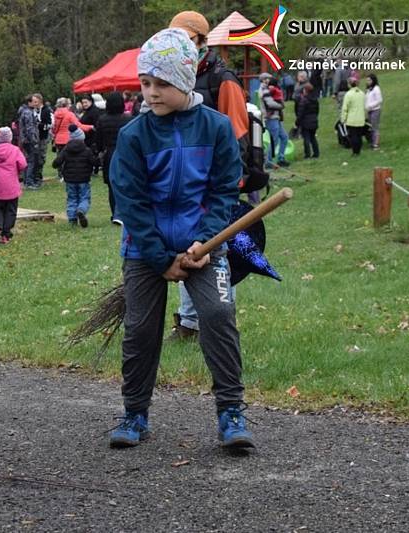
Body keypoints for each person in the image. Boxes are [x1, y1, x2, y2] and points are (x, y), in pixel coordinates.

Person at [109, 28, 253, 450]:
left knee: (217, 316)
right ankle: (135, 413)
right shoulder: (134, 135)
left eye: (162, 84)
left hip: (206, 248)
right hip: (144, 249)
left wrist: (205, 243)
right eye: (146, 83)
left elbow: (224, 190)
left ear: (186, 81)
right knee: (140, 329)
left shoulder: (217, 128)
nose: (151, 93)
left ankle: (231, 412)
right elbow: (130, 202)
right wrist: (160, 259)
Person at [168, 10, 254, 342]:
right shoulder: (175, 77)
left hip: (215, 185)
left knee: (214, 252)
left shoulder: (224, 79)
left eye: (185, 40)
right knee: (185, 249)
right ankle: (189, 322)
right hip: (183, 184)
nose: (180, 48)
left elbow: (237, 134)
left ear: (202, 41)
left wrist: (229, 181)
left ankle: (218, 325)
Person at [94, 91, 131, 223]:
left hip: (110, 153)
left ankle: (115, 213)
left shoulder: (102, 120)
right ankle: (125, 212)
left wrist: (99, 151)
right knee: (128, 183)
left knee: (112, 184)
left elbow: (98, 139)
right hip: (127, 153)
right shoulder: (128, 118)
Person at [0, 127, 26, 243]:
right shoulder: (15, 150)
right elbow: (22, 164)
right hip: (12, 186)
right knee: (11, 210)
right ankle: (6, 235)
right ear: (10, 138)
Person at [53, 124, 94, 228]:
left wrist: (56, 165)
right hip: (84, 179)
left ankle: (72, 219)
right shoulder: (87, 150)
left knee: (72, 198)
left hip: (70, 179)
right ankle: (81, 210)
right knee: (84, 197)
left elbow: (57, 162)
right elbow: (94, 162)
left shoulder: (66, 150)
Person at [259, 74, 290, 167]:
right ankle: (268, 161)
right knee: (274, 141)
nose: (270, 80)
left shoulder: (268, 89)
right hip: (271, 118)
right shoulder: (264, 90)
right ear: (264, 80)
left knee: (284, 137)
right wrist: (281, 106)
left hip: (276, 117)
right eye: (268, 78)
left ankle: (281, 158)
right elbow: (270, 104)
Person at [18, 94, 42, 189]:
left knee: (27, 160)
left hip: (25, 139)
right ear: (29, 102)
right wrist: (34, 140)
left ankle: (27, 180)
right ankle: (29, 182)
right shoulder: (28, 112)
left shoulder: (24, 111)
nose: (35, 103)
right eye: (33, 101)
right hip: (29, 140)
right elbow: (29, 128)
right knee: (31, 161)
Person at [341, 76, 366, 156]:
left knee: (353, 136)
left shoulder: (348, 94)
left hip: (352, 119)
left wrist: (343, 119)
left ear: (349, 84)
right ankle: (358, 150)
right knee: (359, 135)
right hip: (361, 118)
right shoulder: (362, 93)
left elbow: (345, 108)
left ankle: (355, 151)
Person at [295, 83, 320, 159]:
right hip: (314, 120)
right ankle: (316, 153)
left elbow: (300, 113)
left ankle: (307, 154)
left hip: (305, 122)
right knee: (313, 137)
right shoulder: (315, 100)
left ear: (305, 91)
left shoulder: (304, 100)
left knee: (306, 138)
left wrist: (297, 122)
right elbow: (317, 111)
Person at [365, 73, 383, 150]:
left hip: (375, 110)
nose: (368, 82)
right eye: (367, 80)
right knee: (371, 127)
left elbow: (379, 100)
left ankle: (376, 144)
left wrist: (371, 105)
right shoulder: (369, 89)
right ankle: (372, 142)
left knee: (375, 127)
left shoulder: (376, 88)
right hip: (369, 111)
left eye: (369, 80)